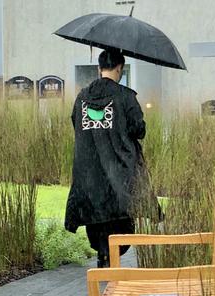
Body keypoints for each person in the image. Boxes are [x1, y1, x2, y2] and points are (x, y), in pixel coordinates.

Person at [64, 47, 154, 267]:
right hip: (119, 171)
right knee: (120, 218)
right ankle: (111, 259)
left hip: (89, 170)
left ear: (99, 68)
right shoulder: (125, 96)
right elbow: (138, 129)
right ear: (120, 68)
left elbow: (76, 123)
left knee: (97, 217)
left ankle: (103, 255)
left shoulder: (82, 97)